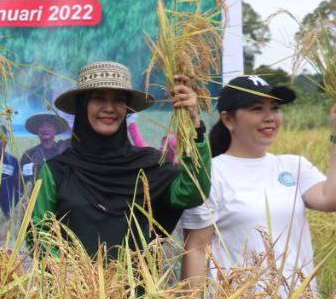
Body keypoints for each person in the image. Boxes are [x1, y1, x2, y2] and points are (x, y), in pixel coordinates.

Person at [181, 75, 336, 299]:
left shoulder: (293, 166)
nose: (270, 117)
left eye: (274, 108)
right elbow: (196, 250)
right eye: (257, 109)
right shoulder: (210, 175)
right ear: (228, 120)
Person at [27, 61, 209, 258]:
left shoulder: (149, 166)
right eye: (98, 99)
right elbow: (38, 233)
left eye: (118, 100)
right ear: (82, 106)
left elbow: (192, 192)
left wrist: (193, 125)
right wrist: (73, 275)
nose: (109, 108)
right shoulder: (57, 171)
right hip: (74, 287)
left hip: (138, 287)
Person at [20, 112, 70, 182]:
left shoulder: (63, 151)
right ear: (37, 130)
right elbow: (21, 182)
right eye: (41, 126)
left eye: (49, 126)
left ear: (55, 130)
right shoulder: (29, 154)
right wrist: (24, 175)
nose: (45, 129)